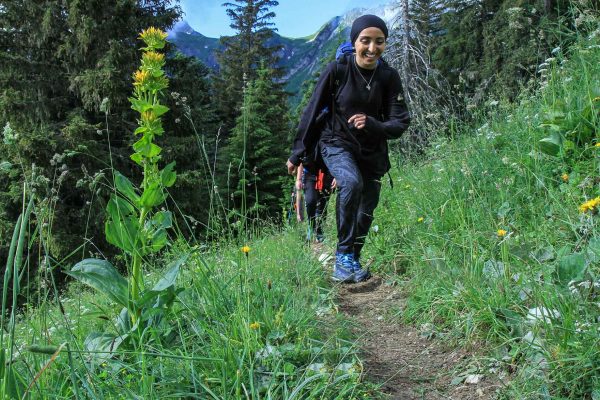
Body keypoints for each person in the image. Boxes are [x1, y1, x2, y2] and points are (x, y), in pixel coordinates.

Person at [286, 14, 411, 283]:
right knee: (350, 182)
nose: (371, 48)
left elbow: (400, 122)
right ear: (354, 42)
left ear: (385, 44)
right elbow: (312, 110)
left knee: (367, 209)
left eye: (379, 42)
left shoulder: (388, 77)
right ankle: (342, 257)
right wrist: (298, 152)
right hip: (336, 143)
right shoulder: (337, 70)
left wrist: (373, 124)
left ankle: (352, 258)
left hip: (373, 151)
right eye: (365, 40)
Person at [296, 164, 335, 242]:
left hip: (327, 174)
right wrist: (298, 179)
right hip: (309, 174)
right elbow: (301, 160)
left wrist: (336, 176)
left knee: (322, 205)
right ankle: (311, 226)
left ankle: (319, 231)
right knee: (310, 201)